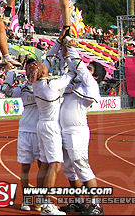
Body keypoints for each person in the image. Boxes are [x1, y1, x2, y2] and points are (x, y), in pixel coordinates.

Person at [25, 29, 76, 216]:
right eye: (41, 65)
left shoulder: (39, 83)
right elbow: (70, 74)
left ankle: (40, 201)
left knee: (45, 164)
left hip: (42, 125)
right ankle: (47, 205)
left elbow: (48, 59)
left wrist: (58, 42)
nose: (44, 64)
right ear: (41, 72)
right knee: (55, 164)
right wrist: (69, 52)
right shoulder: (51, 85)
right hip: (51, 127)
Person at [58, 36, 106, 216]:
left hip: (77, 131)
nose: (86, 69)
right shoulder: (75, 84)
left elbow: (79, 67)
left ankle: (96, 205)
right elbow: (71, 66)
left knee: (82, 167)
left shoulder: (91, 84)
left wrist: (72, 47)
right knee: (69, 169)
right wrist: (64, 48)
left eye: (90, 68)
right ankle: (78, 202)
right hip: (64, 130)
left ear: (95, 75)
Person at [2, 66, 44, 212]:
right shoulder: (23, 88)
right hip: (25, 131)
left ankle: (40, 199)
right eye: (29, 71)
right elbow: (7, 92)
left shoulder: (44, 86)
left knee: (42, 166)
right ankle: (26, 199)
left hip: (40, 131)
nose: (31, 74)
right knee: (25, 167)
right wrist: (10, 73)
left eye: (34, 71)